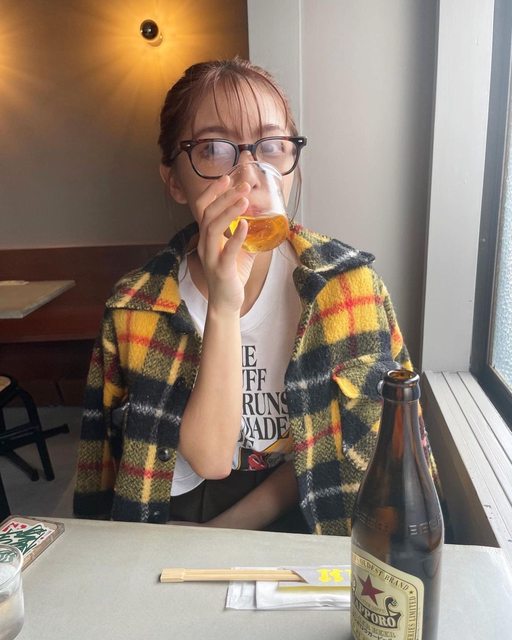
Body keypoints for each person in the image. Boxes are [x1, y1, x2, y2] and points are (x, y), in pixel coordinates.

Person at [73, 57, 438, 535]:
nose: (248, 176)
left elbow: (391, 446)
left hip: (314, 512)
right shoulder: (134, 307)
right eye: (214, 150)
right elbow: (200, 461)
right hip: (174, 517)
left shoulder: (348, 288)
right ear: (175, 180)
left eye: (271, 146)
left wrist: (233, 528)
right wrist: (224, 306)